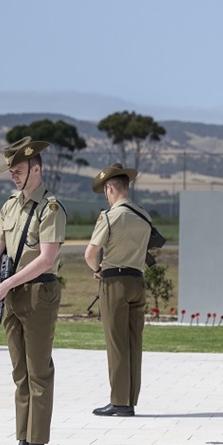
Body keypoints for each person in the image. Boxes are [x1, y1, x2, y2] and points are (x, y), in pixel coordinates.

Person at [0, 137, 67, 445]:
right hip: (11, 293)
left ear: (36, 167)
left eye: (18, 170)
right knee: (20, 373)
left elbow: (46, 259)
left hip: (37, 294)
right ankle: (22, 442)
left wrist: (4, 285)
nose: (13, 176)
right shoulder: (9, 205)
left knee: (38, 372)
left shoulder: (51, 208)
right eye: (11, 172)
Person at [85, 163, 150, 416]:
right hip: (137, 280)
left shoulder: (110, 216)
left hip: (114, 282)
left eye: (105, 190)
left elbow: (90, 253)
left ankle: (119, 402)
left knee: (117, 344)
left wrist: (98, 268)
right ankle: (131, 399)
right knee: (134, 343)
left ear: (110, 188)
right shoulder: (144, 215)